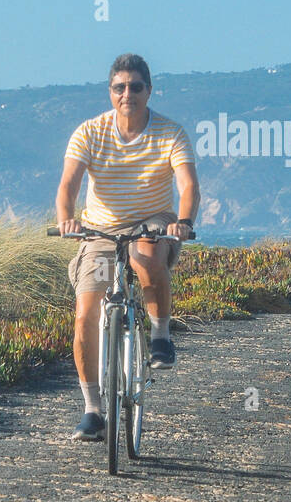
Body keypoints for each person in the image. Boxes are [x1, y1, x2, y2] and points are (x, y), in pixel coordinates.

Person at [54, 53, 200, 442]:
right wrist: (67, 217)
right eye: (120, 87)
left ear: (149, 91)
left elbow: (187, 185)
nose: (127, 94)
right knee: (86, 311)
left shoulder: (170, 133)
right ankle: (92, 410)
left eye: (136, 87)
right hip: (101, 231)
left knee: (145, 255)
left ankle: (160, 336)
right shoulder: (90, 131)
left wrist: (183, 223)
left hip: (152, 223)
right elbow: (69, 183)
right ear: (110, 92)